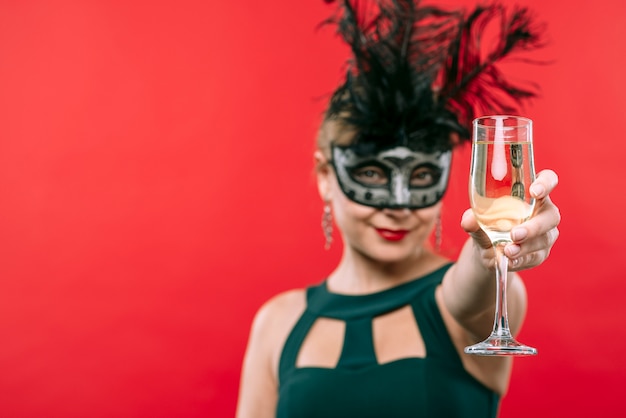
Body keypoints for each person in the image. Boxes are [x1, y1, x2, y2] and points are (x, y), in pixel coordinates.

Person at [236, 1, 561, 417]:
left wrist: (489, 255)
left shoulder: (454, 303)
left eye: (423, 175)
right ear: (324, 175)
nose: (399, 206)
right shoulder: (277, 323)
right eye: (371, 173)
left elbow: (470, 296)